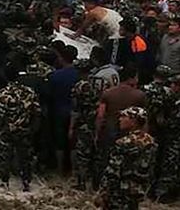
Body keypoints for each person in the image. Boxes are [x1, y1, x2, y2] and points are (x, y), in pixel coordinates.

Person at [97, 107, 156, 210]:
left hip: (120, 191)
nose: (120, 119)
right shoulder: (150, 141)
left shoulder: (124, 143)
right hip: (138, 190)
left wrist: (103, 193)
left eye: (124, 116)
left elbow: (112, 172)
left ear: (133, 121)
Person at [0, 69, 41, 191]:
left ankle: (5, 182)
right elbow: (37, 112)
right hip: (25, 129)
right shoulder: (29, 92)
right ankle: (26, 182)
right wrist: (33, 128)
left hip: (7, 130)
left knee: (5, 156)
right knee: (25, 157)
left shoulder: (3, 93)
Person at [69, 59, 99, 190]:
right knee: (94, 152)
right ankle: (94, 182)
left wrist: (71, 127)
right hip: (95, 121)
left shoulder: (79, 86)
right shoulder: (97, 83)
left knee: (82, 154)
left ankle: (81, 182)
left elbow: (75, 109)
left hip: (83, 122)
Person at [48, 45, 79, 172]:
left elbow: (50, 94)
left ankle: (60, 169)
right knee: (74, 142)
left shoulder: (55, 76)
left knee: (59, 141)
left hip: (58, 110)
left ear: (61, 58)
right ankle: (74, 170)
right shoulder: (79, 75)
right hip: (75, 111)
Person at [152, 72, 180, 202]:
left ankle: (163, 195)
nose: (172, 87)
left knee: (170, 166)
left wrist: (163, 121)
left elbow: (172, 123)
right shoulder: (173, 100)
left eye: (174, 84)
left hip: (174, 139)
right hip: (170, 138)